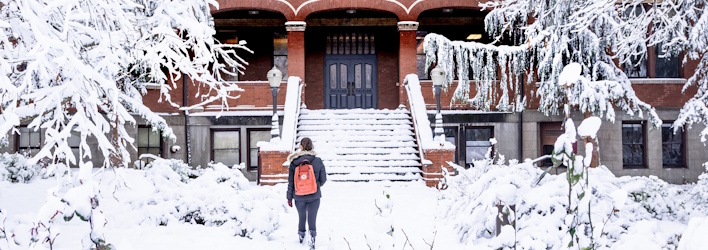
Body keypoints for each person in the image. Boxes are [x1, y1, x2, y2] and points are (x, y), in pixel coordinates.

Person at [287, 137, 327, 248]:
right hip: (314, 196)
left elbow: (291, 182)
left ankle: (301, 236)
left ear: (301, 146)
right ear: (311, 146)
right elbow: (323, 179)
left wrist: (289, 197)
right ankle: (312, 239)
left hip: (299, 196)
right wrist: (315, 186)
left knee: (301, 216)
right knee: (312, 218)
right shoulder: (317, 161)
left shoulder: (294, 162)